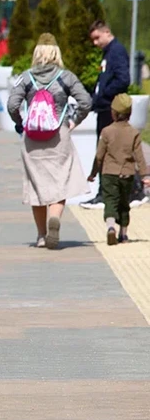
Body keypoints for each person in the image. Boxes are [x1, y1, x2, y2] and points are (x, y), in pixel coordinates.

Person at [8, 33, 92, 250]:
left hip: (32, 137)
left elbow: (12, 104)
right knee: (59, 182)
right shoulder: (67, 77)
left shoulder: (26, 77)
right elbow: (86, 101)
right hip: (58, 135)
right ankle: (55, 219)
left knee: (37, 186)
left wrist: (21, 123)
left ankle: (41, 235)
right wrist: (73, 122)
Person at [82, 21, 132, 209]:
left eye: (97, 38)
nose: (95, 43)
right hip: (104, 108)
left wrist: (103, 95)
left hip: (110, 109)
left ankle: (108, 194)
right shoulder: (108, 52)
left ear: (107, 32)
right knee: (107, 151)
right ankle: (108, 192)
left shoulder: (116, 51)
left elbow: (123, 79)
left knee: (108, 152)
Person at [88, 94, 150, 245]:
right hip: (127, 173)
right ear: (130, 113)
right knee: (124, 204)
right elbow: (139, 156)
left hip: (109, 173)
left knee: (110, 201)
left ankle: (110, 228)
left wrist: (93, 173)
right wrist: (145, 175)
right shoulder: (134, 132)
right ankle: (123, 234)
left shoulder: (106, 131)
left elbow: (99, 156)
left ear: (113, 113)